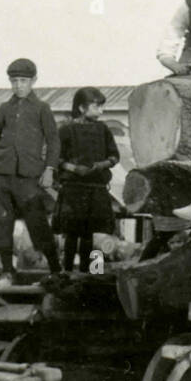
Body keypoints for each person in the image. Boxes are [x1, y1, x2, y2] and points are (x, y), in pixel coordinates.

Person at [0, 57, 61, 286]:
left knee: (37, 222)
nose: (19, 86)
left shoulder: (42, 109)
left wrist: (49, 170)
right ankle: (7, 272)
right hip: (1, 176)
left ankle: (55, 270)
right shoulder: (5, 109)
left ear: (33, 81)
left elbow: (54, 142)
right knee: (1, 222)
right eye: (14, 81)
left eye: (23, 81)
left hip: (29, 177)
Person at [57, 87, 120, 274]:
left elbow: (115, 156)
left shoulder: (104, 129)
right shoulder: (66, 130)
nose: (101, 111)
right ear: (82, 108)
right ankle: (67, 273)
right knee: (72, 234)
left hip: (97, 189)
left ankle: (95, 273)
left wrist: (100, 165)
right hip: (73, 190)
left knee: (97, 235)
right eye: (96, 106)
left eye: (102, 107)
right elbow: (55, 158)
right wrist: (73, 168)